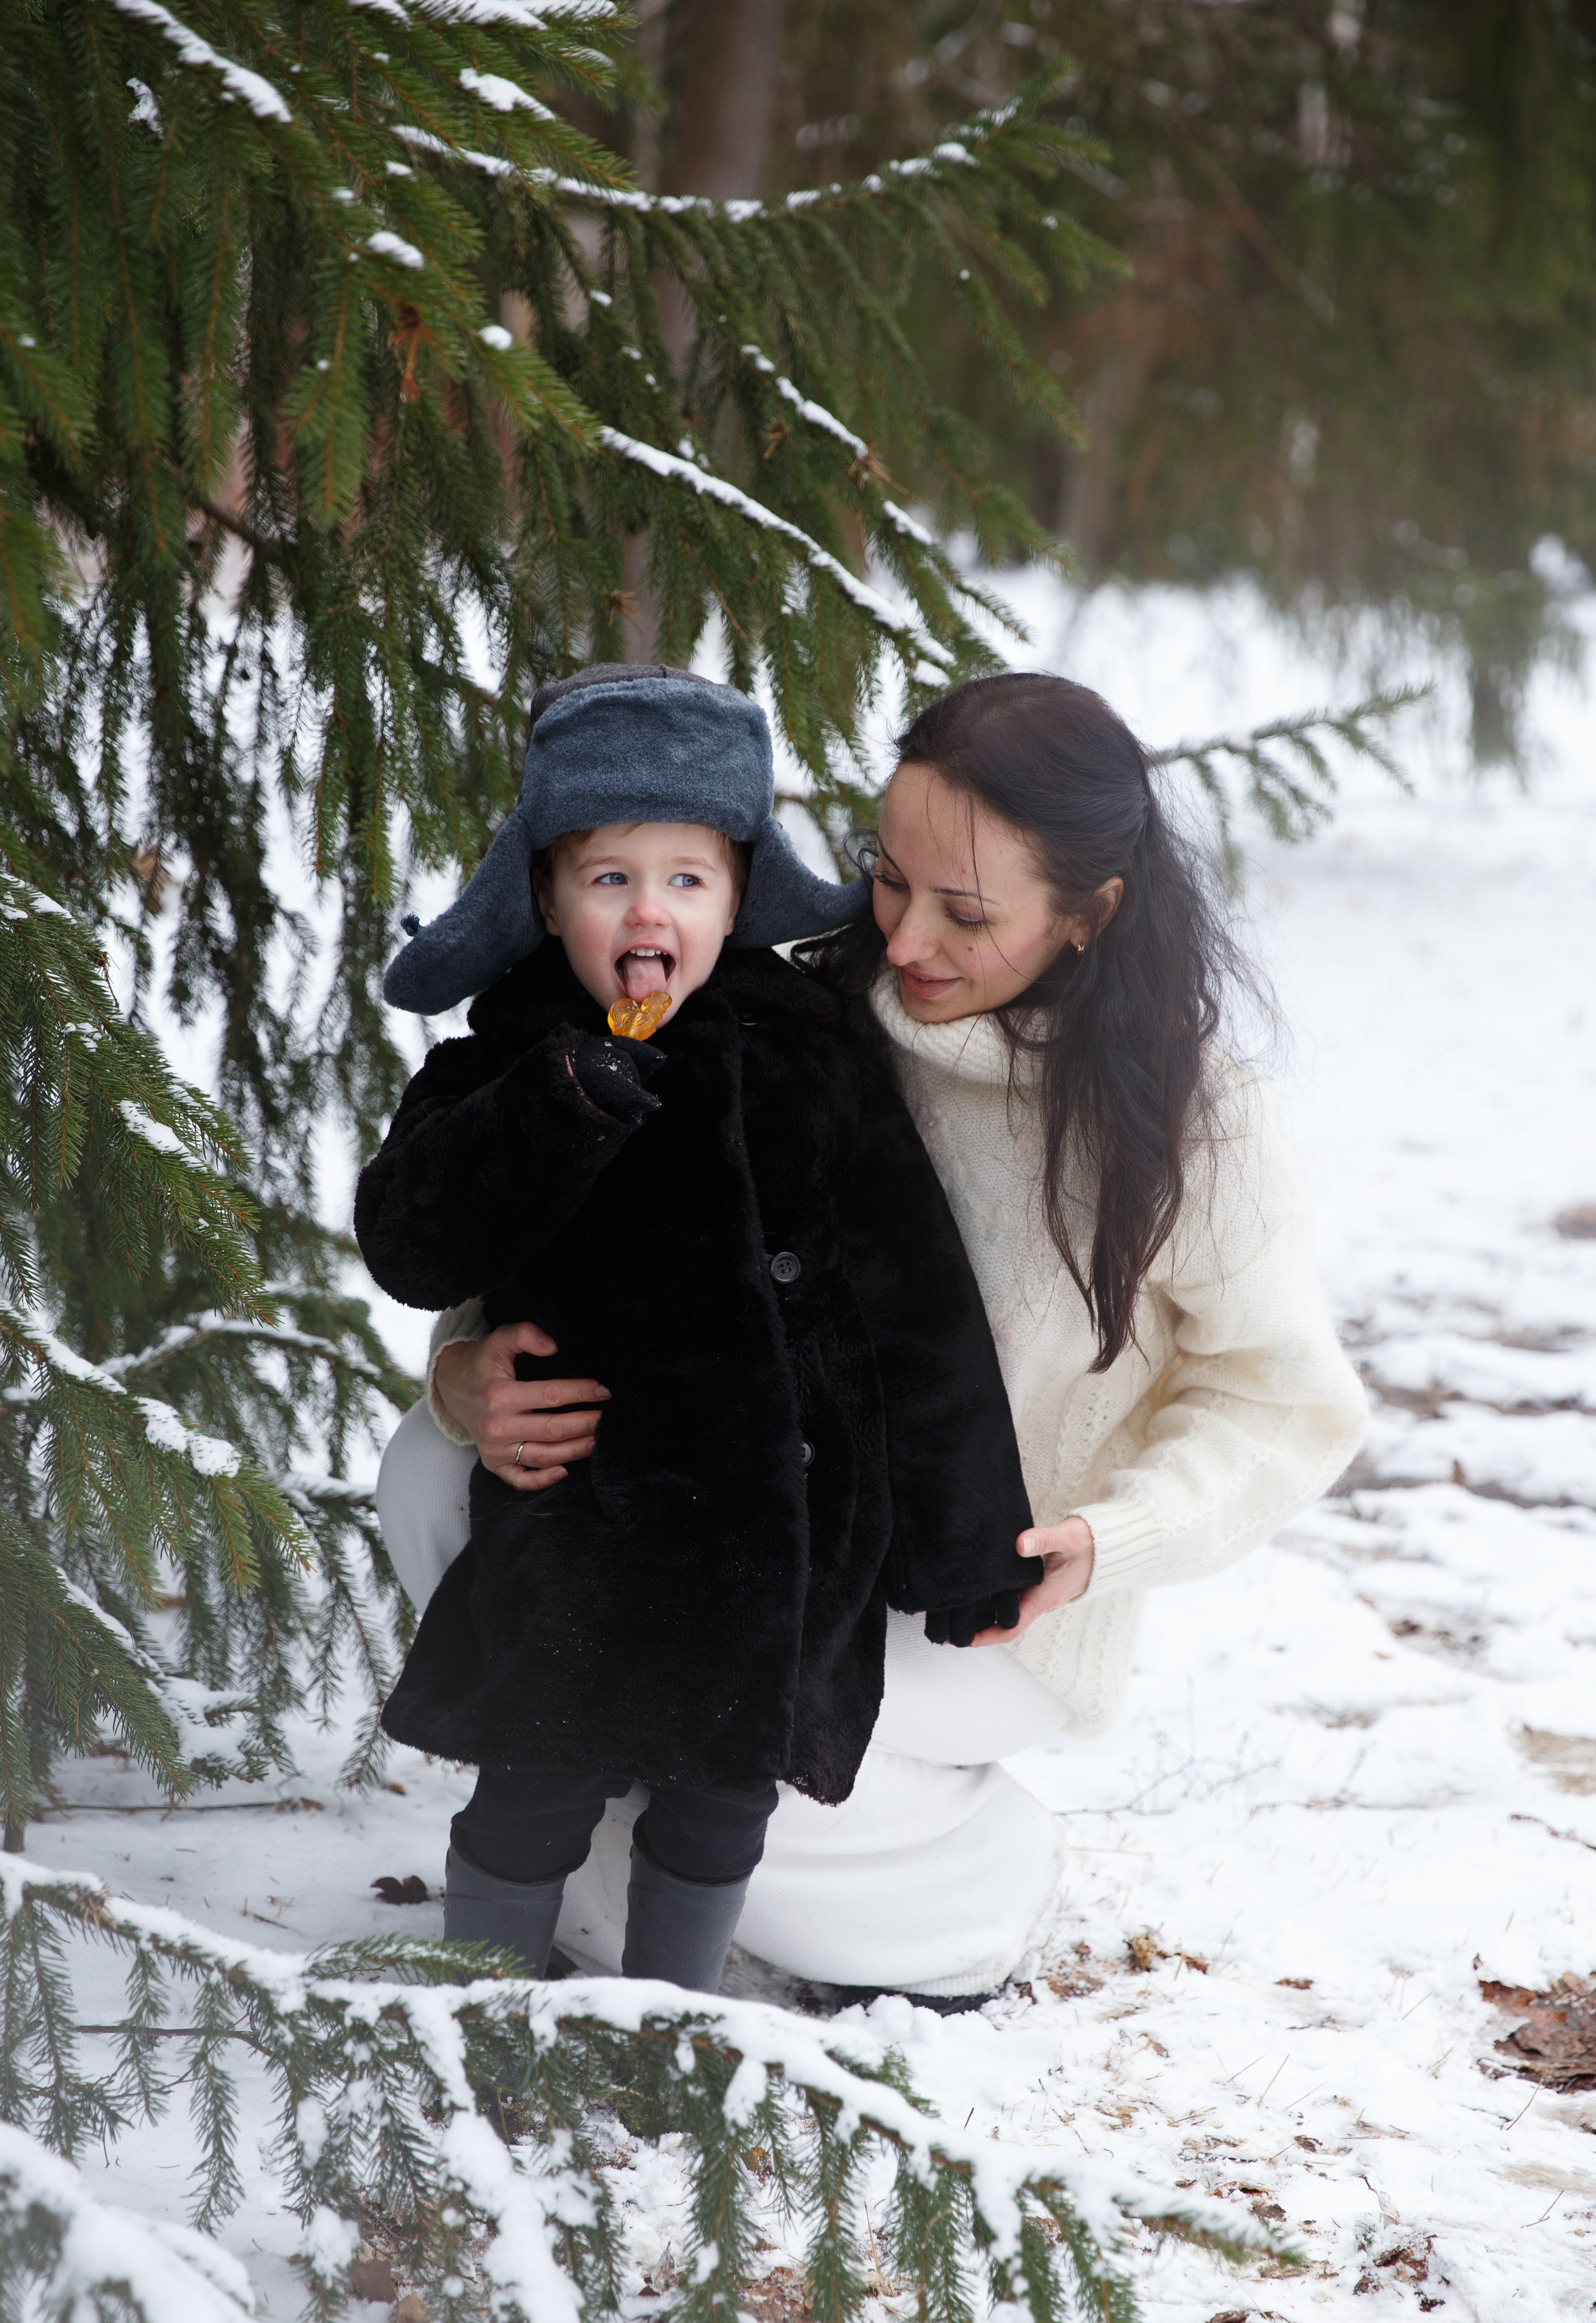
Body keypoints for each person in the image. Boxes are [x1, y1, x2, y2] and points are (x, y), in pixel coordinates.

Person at [395, 670, 1368, 2008]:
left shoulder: (1188, 1121)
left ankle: (964, 1888)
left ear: (1087, 917)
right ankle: (594, 1820)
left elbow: (1281, 1405)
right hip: (738, 1511)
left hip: (984, 1595)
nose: (903, 936)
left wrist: (1106, 1543)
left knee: (735, 1774)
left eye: (963, 911)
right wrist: (463, 1372)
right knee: (432, 1482)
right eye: (886, 878)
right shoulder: (800, 1011)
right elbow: (601, 1234)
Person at [356, 665, 1039, 1995]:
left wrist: (967, 1547)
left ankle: (671, 2016)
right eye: (609, 879)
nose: (648, 911)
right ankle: (484, 2008)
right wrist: (555, 1105)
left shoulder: (811, 1058)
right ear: (547, 899)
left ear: (738, 898)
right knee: (534, 1779)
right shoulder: (507, 1063)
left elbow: (918, 1305)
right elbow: (410, 1238)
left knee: (724, 1800)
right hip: (578, 1519)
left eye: (686, 878)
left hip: (776, 1531)